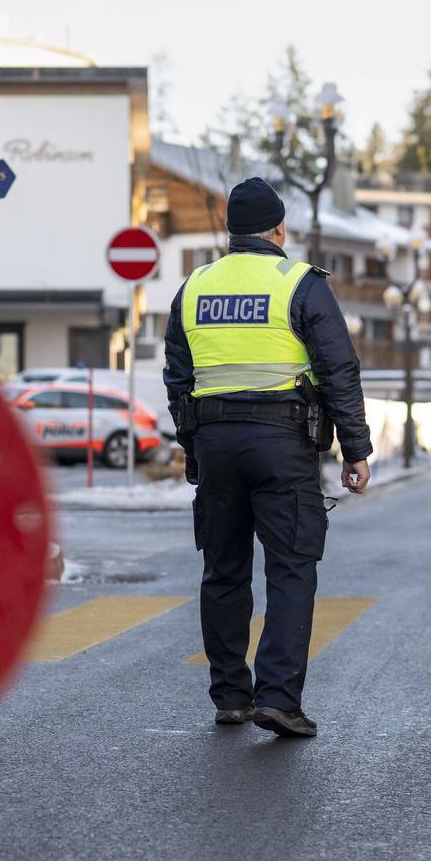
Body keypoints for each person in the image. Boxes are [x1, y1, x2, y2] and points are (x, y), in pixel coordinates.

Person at [162, 177, 372, 739]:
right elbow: (338, 370)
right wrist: (356, 449)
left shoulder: (195, 285)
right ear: (280, 229)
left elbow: (178, 377)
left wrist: (193, 447)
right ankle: (278, 697)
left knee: (223, 569)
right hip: (283, 444)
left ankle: (231, 695)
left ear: (232, 232)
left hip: (217, 444)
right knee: (291, 568)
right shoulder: (300, 283)